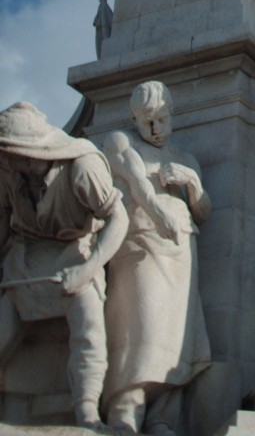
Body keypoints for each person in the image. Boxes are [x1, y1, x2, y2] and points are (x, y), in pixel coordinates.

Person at [0, 101, 128, 429]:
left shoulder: (82, 166)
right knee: (3, 330)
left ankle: (87, 410)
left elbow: (118, 217)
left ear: (30, 150)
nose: (6, 158)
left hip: (77, 254)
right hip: (26, 260)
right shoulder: (8, 172)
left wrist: (90, 268)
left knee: (89, 324)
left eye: (9, 151)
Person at [102, 81, 211, 435]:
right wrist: (159, 214)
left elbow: (205, 212)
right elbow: (138, 183)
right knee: (139, 326)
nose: (155, 129)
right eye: (147, 121)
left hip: (182, 253)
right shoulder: (121, 142)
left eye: (162, 119)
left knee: (177, 335)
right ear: (134, 119)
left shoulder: (186, 159)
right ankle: (125, 412)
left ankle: (163, 415)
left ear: (172, 114)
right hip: (139, 247)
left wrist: (193, 184)